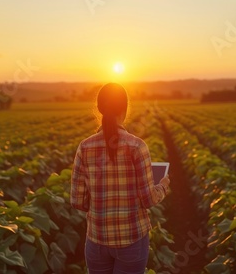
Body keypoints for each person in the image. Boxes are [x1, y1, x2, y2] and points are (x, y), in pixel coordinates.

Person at [70, 83, 171, 274]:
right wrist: (163, 186)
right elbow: (148, 199)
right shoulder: (137, 146)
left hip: (97, 241)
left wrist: (101, 202)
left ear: (99, 109)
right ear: (125, 108)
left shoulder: (85, 147)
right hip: (132, 240)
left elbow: (77, 201)